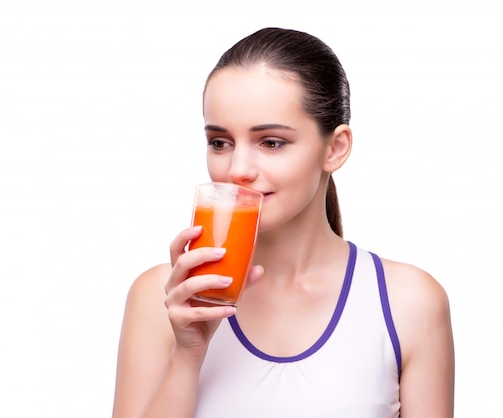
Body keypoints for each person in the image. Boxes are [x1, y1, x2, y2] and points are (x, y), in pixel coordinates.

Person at [112, 27, 455, 418]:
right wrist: (188, 355)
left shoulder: (408, 302)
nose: (237, 170)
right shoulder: (161, 299)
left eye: (271, 142)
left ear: (336, 148)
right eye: (220, 143)